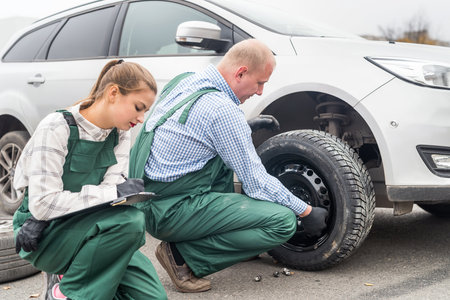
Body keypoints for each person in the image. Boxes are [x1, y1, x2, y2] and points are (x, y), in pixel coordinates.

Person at [129, 39, 328, 293]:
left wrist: (242, 129)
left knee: (224, 159)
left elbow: (196, 134)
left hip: (147, 198)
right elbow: (256, 183)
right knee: (283, 222)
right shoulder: (221, 110)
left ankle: (230, 239)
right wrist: (306, 211)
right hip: (170, 211)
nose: (260, 92)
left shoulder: (186, 80)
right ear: (240, 72)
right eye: (259, 83)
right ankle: (182, 256)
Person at [13, 60, 167, 300]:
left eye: (145, 111)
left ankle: (72, 278)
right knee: (131, 221)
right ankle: (65, 293)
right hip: (42, 232)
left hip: (97, 228)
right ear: (113, 93)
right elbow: (43, 204)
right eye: (138, 107)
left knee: (151, 297)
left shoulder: (121, 134)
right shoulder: (56, 127)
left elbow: (110, 194)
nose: (141, 117)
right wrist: (114, 194)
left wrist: (115, 194)